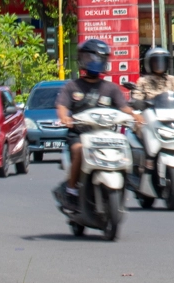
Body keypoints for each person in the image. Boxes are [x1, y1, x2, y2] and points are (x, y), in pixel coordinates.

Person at [56, 39, 133, 198]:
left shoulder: (111, 88)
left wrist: (136, 116)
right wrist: (64, 118)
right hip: (80, 135)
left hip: (106, 135)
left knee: (126, 149)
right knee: (79, 151)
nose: (95, 61)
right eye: (91, 57)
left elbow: (123, 107)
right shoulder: (72, 86)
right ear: (82, 58)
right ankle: (72, 189)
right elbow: (62, 106)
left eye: (99, 58)